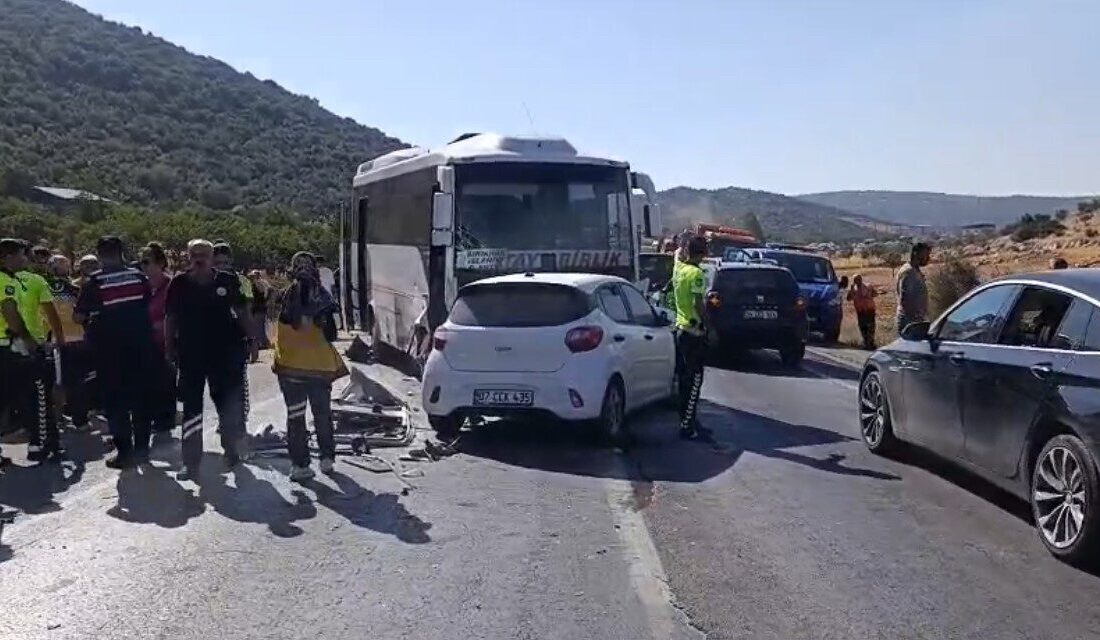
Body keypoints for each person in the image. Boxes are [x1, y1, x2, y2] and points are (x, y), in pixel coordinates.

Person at [165, 239, 257, 480]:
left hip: (225, 353)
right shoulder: (179, 283)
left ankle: (231, 451)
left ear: (211, 256)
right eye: (194, 254)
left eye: (204, 254)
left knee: (227, 404)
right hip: (191, 353)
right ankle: (191, 463)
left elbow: (243, 312)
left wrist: (254, 340)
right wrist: (168, 347)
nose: (199, 258)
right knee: (192, 409)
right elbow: (170, 318)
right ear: (188, 256)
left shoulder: (227, 281)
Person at [75, 236, 160, 469]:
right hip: (141, 348)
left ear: (100, 254)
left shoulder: (95, 282)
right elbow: (148, 306)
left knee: (115, 402)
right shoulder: (139, 277)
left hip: (109, 351)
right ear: (122, 252)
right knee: (141, 399)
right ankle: (142, 450)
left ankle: (125, 453)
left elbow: (79, 316)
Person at [273, 252, 348, 481]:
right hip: (320, 368)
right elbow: (332, 335)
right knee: (322, 414)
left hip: (290, 367)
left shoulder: (286, 296)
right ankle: (326, 459)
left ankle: (300, 465)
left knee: (295, 416)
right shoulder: (323, 297)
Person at [15, 242, 65, 461]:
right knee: (40, 397)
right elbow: (51, 313)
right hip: (32, 346)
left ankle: (36, 441)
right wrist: (59, 340)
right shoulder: (36, 281)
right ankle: (45, 443)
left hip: (9, 346)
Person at [47, 255, 96, 431]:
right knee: (76, 381)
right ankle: (78, 419)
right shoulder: (73, 288)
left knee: (61, 381)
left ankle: (59, 418)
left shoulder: (45, 286)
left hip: (57, 339)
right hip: (72, 338)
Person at [672, 235, 708, 440]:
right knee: (695, 381)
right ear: (703, 254)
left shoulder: (679, 270)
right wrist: (708, 324)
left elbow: (677, 256)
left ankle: (685, 419)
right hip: (694, 332)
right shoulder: (696, 274)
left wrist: (682, 244)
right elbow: (698, 304)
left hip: (680, 330)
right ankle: (687, 426)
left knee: (683, 380)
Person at [140, 242, 176, 434]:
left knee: (165, 385)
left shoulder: (172, 285)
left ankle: (165, 423)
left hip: (166, 343)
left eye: (147, 262)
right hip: (144, 344)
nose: (143, 267)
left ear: (160, 263)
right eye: (141, 263)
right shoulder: (139, 286)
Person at [896, 242, 932, 336]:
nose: (928, 258)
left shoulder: (914, 270)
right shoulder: (909, 272)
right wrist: (915, 321)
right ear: (916, 253)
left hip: (914, 320)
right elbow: (905, 299)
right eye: (926, 254)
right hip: (910, 322)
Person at [846, 274, 878, 350]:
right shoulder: (854, 290)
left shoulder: (868, 286)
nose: (857, 281)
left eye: (858, 279)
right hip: (860, 311)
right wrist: (851, 290)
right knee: (863, 327)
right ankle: (866, 343)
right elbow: (848, 298)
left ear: (861, 279)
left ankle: (870, 343)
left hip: (869, 310)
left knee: (870, 327)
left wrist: (871, 294)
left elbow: (875, 294)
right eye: (855, 280)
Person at [247, 270, 271, 349]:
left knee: (259, 326)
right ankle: (264, 342)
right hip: (259, 307)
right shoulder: (262, 283)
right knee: (260, 326)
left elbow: (262, 293)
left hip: (259, 307)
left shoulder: (260, 283)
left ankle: (262, 344)